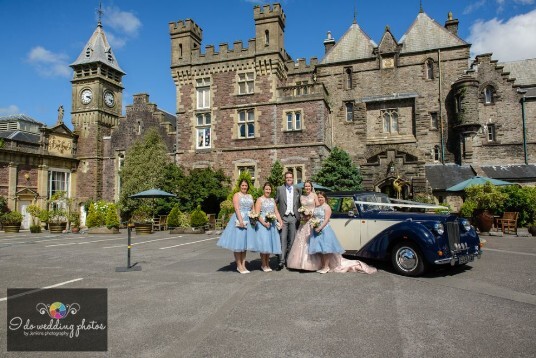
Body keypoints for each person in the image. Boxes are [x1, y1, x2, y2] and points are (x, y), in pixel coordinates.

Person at [217, 179, 255, 274]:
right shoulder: (236, 195)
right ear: (240, 186)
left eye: (246, 185)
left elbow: (253, 208)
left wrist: (254, 218)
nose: (244, 187)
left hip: (248, 220)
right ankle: (239, 265)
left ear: (248, 186)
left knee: (245, 244)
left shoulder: (250, 196)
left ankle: (243, 264)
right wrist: (241, 220)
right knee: (238, 243)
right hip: (239, 219)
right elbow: (237, 208)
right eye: (242, 185)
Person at [286, 180, 322, 271]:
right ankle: (298, 263)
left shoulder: (314, 196)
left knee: (310, 240)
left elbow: (318, 208)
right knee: (301, 241)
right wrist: (302, 215)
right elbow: (299, 208)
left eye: (308, 186)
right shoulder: (301, 197)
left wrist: (310, 215)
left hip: (312, 221)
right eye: (306, 186)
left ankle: (312, 263)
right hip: (303, 222)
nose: (307, 188)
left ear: (311, 187)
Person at [248, 182, 284, 272]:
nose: (268, 191)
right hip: (263, 225)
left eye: (269, 189)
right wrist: (264, 223)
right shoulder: (260, 200)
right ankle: (263, 264)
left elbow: (276, 212)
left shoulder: (272, 200)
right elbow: (257, 213)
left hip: (271, 224)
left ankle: (267, 264)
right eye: (266, 189)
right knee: (264, 244)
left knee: (269, 245)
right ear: (263, 190)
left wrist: (280, 221)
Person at [308, 191, 346, 273]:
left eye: (321, 197)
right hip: (316, 229)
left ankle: (326, 267)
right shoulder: (317, 207)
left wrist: (320, 227)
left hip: (324, 230)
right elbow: (314, 217)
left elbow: (326, 219)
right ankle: (322, 266)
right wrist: (313, 223)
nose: (320, 199)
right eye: (318, 197)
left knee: (326, 250)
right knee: (320, 250)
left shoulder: (326, 207)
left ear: (325, 198)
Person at [275, 171, 301, 270]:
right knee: (283, 239)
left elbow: (300, 203)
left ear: (293, 178)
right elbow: (275, 201)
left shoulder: (298, 189)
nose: (288, 179)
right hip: (283, 218)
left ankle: (289, 260)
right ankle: (281, 261)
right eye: (287, 177)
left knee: (292, 240)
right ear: (284, 179)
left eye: (290, 177)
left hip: (294, 217)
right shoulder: (279, 189)